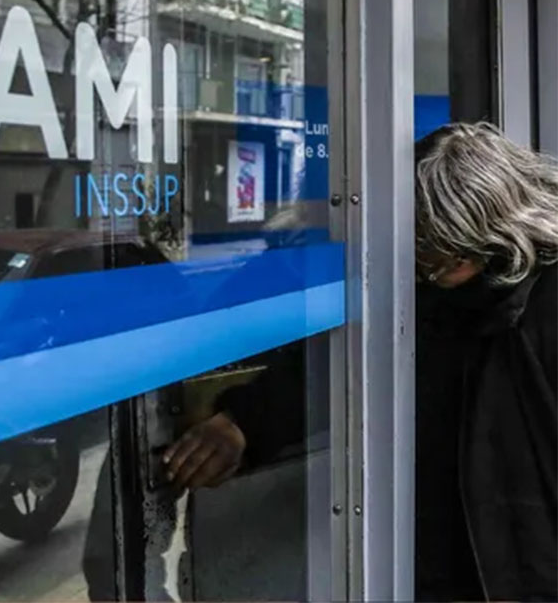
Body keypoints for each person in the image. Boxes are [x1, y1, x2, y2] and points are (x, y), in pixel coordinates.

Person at [163, 122, 557, 601]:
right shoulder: (434, 296)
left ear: (488, 236)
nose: (425, 270)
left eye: (439, 257)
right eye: (420, 252)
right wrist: (243, 423)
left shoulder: (537, 310)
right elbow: (348, 364)